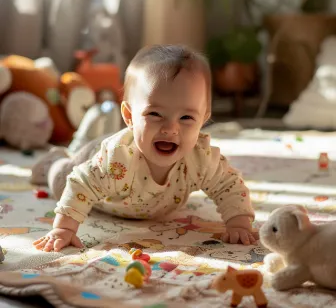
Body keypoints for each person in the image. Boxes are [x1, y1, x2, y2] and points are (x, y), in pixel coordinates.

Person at [33, 44, 257, 253]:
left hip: (143, 197)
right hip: (90, 159)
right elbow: (80, 184)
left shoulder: (201, 159)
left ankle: (95, 124)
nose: (170, 128)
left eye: (187, 117)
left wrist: (239, 223)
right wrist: (64, 229)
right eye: (155, 114)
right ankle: (56, 160)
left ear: (203, 121)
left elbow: (229, 185)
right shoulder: (117, 160)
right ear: (130, 116)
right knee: (62, 181)